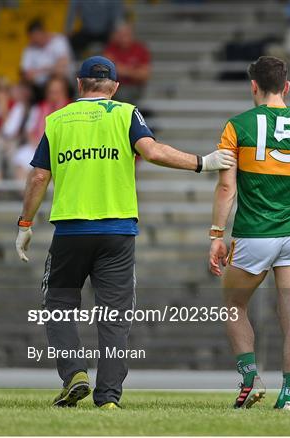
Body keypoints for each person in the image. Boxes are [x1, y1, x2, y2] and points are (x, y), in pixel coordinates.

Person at [15, 56, 235, 409]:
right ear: (115, 87)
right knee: (115, 315)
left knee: (58, 306)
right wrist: (202, 162)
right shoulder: (125, 113)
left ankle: (74, 374)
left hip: (70, 231)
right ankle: (109, 399)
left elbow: (39, 176)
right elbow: (152, 151)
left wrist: (25, 224)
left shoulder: (55, 120)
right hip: (117, 231)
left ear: (78, 83)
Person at [209, 56, 290, 411]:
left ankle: (250, 378)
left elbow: (227, 188)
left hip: (254, 234)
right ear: (287, 87)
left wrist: (217, 234)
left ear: (253, 86)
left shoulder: (237, 126)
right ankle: (289, 397)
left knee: (233, 305)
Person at [13, 76, 72, 181]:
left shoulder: (72, 109)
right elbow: (29, 131)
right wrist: (37, 144)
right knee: (21, 160)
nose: (54, 95)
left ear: (64, 92)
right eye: (51, 92)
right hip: (38, 146)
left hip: (63, 149)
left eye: (57, 92)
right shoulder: (38, 108)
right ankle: (26, 195)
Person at [20, 19, 73, 102]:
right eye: (32, 38)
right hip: (38, 86)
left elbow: (63, 64)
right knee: (19, 89)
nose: (34, 40)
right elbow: (26, 72)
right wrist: (48, 69)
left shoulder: (58, 40)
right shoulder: (29, 49)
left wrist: (40, 71)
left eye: (35, 37)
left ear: (42, 32)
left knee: (57, 78)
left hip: (60, 80)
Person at [104, 22, 150, 103]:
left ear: (132, 35)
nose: (123, 37)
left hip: (133, 87)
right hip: (113, 86)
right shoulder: (111, 47)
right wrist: (132, 71)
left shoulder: (140, 49)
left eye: (126, 34)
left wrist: (121, 69)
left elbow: (144, 75)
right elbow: (106, 70)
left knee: (123, 94)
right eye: (121, 34)